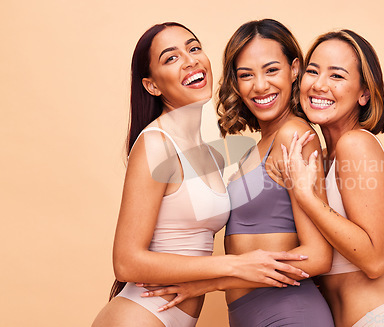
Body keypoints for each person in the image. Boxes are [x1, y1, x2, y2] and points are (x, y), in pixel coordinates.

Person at [91, 22, 310, 327]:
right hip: (141, 316)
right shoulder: (156, 144)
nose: (190, 59)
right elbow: (126, 262)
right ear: (152, 85)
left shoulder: (205, 152)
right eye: (171, 58)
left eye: (194, 48)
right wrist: (235, 266)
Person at [140, 19, 335, 327]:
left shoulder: (295, 137)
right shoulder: (255, 148)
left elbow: (318, 255)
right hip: (248, 315)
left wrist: (213, 282)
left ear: (294, 69)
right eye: (246, 75)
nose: (260, 86)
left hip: (289, 313)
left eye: (271, 70)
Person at [281, 29, 384, 327]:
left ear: (364, 93)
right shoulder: (322, 158)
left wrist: (306, 198)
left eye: (337, 76)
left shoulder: (356, 144)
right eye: (313, 71)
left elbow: (375, 261)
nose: (319, 85)